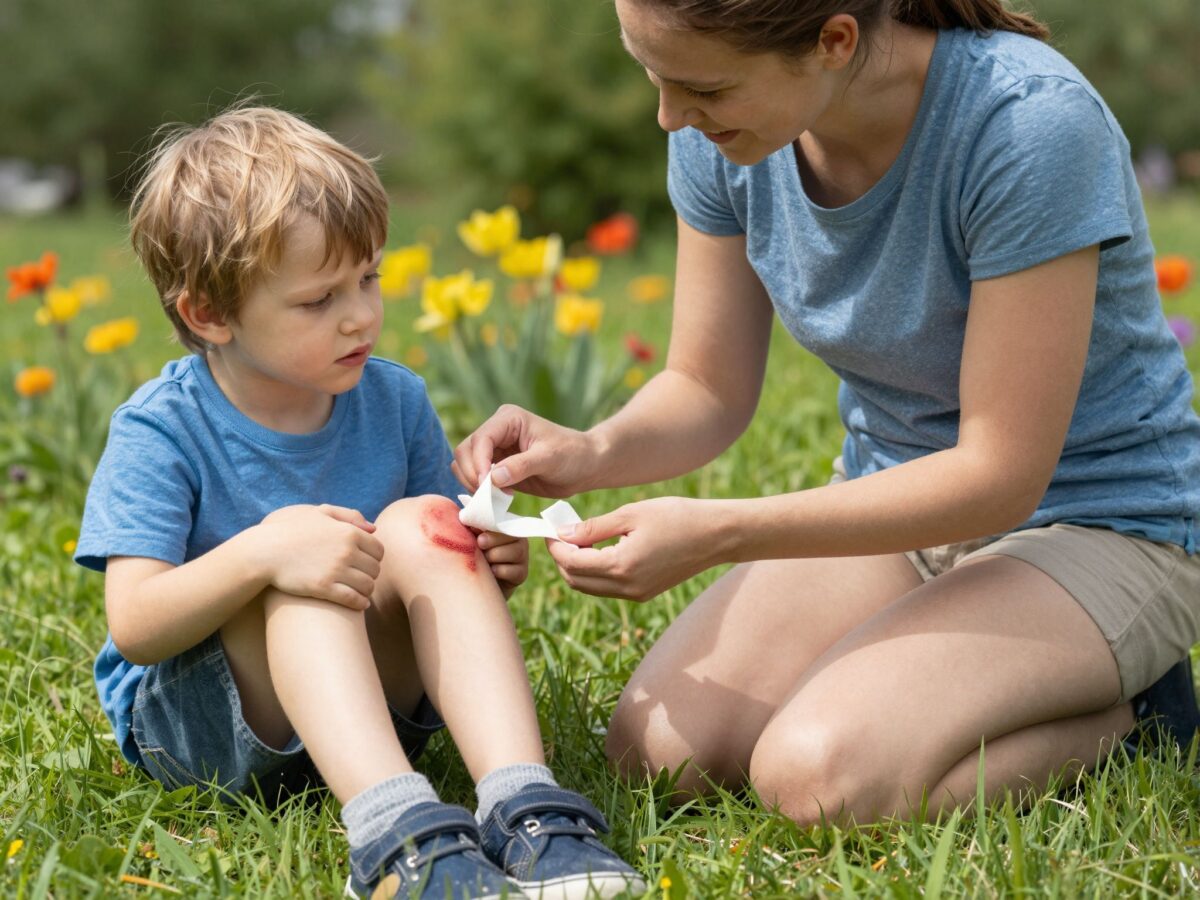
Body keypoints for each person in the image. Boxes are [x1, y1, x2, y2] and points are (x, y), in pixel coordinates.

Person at [455, 0, 1200, 826]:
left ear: (834, 42)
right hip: (896, 507)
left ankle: (1133, 718)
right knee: (659, 753)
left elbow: (1000, 475)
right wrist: (589, 448)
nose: (671, 116)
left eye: (701, 86)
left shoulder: (1026, 127)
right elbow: (705, 386)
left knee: (815, 783)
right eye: (654, 77)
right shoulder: (724, 140)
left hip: (1103, 521)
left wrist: (721, 531)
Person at [75, 106, 644, 900]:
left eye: (369, 277)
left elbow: (423, 579)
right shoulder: (160, 429)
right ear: (209, 314)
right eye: (318, 300)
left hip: (373, 703)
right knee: (301, 571)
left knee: (425, 522)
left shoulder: (395, 398)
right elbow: (135, 626)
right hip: (210, 730)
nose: (362, 315)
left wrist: (483, 557)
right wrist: (266, 551)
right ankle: (394, 837)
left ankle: (524, 805)